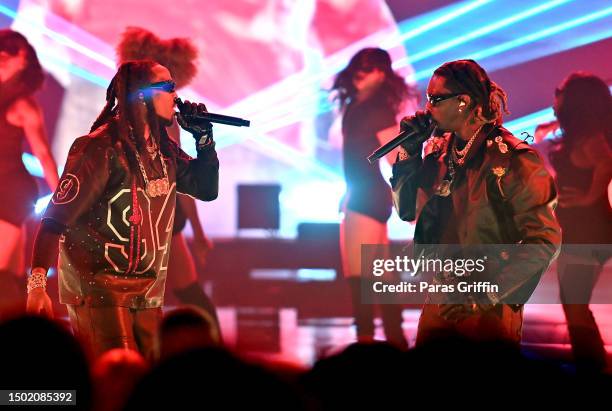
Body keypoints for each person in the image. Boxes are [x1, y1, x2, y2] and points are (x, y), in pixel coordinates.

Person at [26, 59, 219, 360]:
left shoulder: (162, 150)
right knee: (118, 380)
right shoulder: (99, 148)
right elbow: (55, 220)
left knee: (146, 381)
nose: (177, 97)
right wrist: (37, 285)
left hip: (148, 290)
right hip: (99, 289)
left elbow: (206, 190)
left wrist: (204, 140)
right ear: (142, 94)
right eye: (168, 87)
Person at [391, 59, 561, 346]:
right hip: (441, 298)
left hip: (489, 306)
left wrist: (484, 296)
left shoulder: (514, 160)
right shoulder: (438, 156)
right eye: (427, 99)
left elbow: (545, 241)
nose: (427, 108)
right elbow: (406, 209)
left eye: (435, 99)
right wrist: (409, 151)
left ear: (463, 102)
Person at [116, 26, 220, 334]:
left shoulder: (164, 125)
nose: (173, 95)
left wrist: (198, 232)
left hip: (159, 216)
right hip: (143, 216)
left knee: (178, 290)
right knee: (165, 292)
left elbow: (187, 184)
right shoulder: (141, 124)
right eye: (166, 86)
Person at [332, 48, 416, 349]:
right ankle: (395, 336)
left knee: (360, 274)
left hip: (367, 197)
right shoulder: (357, 106)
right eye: (358, 66)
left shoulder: (377, 109)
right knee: (377, 273)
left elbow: (397, 158)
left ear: (381, 73)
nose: (359, 72)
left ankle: (367, 340)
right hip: (361, 195)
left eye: (368, 68)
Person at [547, 72, 612, 372]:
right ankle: (593, 366)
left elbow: (606, 162)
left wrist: (588, 197)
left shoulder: (590, 138)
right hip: (582, 230)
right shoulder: (580, 133)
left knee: (573, 304)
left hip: (590, 231)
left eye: (560, 90)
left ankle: (594, 370)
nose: (555, 95)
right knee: (574, 304)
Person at [0, 30, 58, 276]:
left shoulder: (24, 106)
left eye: (6, 55)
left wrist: (61, 200)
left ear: (22, 60)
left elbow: (43, 154)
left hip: (13, 192)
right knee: (12, 275)